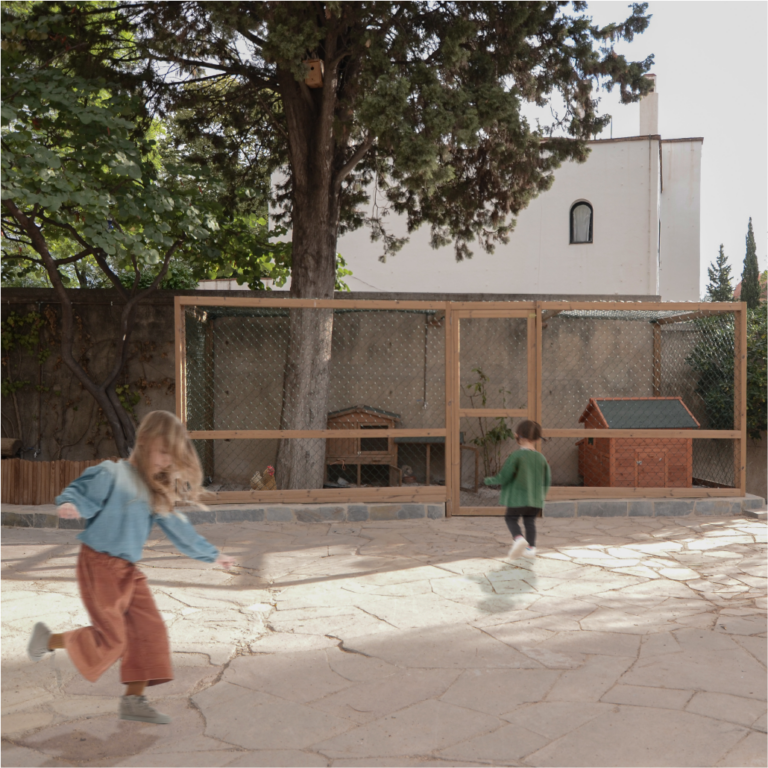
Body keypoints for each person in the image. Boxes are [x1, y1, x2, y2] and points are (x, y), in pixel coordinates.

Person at [26, 411, 235, 725]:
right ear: (146, 443)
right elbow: (82, 491)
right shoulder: (113, 473)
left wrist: (210, 554)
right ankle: (48, 640)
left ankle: (134, 700)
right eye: (163, 452)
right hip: (98, 564)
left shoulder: (155, 492)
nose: (166, 462)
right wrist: (73, 505)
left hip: (126, 570)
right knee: (113, 639)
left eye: (171, 456)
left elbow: (179, 529)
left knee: (149, 631)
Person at [484, 419, 551, 560]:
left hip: (517, 499)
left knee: (510, 519)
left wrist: (490, 480)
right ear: (538, 439)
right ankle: (531, 548)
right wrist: (541, 495)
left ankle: (519, 539)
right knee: (529, 522)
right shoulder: (541, 458)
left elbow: (505, 475)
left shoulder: (516, 456)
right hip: (535, 500)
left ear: (518, 436)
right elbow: (547, 480)